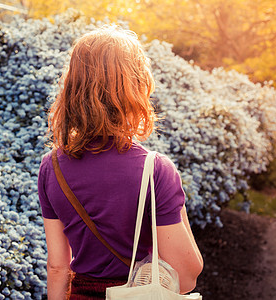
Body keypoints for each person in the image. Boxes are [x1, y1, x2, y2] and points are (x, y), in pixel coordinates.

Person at [37, 25, 203, 299]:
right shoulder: (155, 170)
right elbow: (186, 277)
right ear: (135, 87)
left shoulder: (51, 166)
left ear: (73, 87)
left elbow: (57, 268)